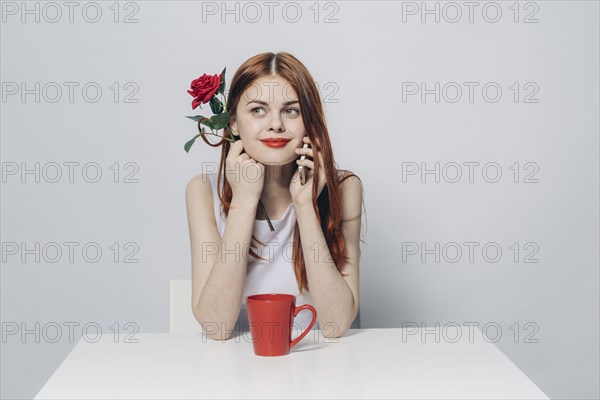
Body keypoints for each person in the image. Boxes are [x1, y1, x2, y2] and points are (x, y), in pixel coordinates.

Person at [185, 51, 366, 341]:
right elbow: (216, 327)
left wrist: (305, 205)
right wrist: (244, 201)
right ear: (233, 123)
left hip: (320, 367)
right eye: (258, 110)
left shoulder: (344, 188)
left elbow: (336, 324)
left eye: (291, 111)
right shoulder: (203, 191)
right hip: (237, 369)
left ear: (309, 121)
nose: (276, 124)